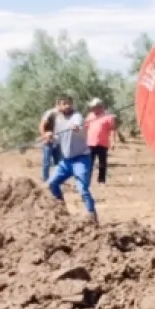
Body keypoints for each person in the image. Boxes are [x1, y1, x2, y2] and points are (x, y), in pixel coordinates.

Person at [39, 95, 98, 223]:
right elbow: (58, 139)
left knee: (83, 188)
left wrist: (77, 128)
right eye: (64, 104)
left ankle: (92, 215)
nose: (67, 106)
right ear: (59, 106)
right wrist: (49, 136)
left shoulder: (77, 116)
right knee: (52, 184)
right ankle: (61, 207)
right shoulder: (58, 119)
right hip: (66, 161)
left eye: (69, 104)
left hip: (81, 158)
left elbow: (80, 129)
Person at [85, 97, 116, 184]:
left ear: (100, 107)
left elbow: (112, 129)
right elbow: (85, 128)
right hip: (90, 143)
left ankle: (101, 180)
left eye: (95, 107)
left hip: (103, 143)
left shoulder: (108, 117)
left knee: (102, 163)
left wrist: (113, 141)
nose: (93, 109)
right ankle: (87, 180)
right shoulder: (90, 116)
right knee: (89, 163)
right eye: (92, 107)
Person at [39, 98, 64, 182]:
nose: (64, 106)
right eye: (63, 104)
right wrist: (44, 136)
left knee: (59, 162)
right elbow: (42, 125)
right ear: (57, 104)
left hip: (58, 142)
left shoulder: (63, 115)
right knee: (47, 162)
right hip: (48, 142)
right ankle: (45, 179)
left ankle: (57, 180)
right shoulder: (50, 113)